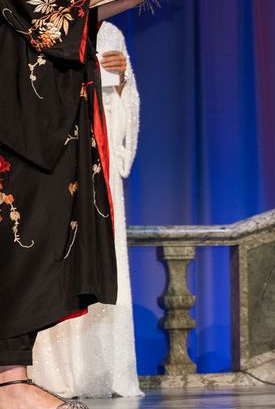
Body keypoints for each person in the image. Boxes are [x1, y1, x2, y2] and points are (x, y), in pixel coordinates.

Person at [0, 0, 178, 409]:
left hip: (36, 107)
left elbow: (61, 13)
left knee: (37, 234)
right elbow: (43, 11)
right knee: (21, 235)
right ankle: (9, 383)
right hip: (17, 111)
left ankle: (13, 378)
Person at [31, 21, 142, 399]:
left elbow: (125, 105)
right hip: (54, 156)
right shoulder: (44, 19)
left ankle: (98, 370)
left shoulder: (109, 30)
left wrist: (122, 80)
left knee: (97, 256)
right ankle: (45, 372)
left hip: (97, 155)